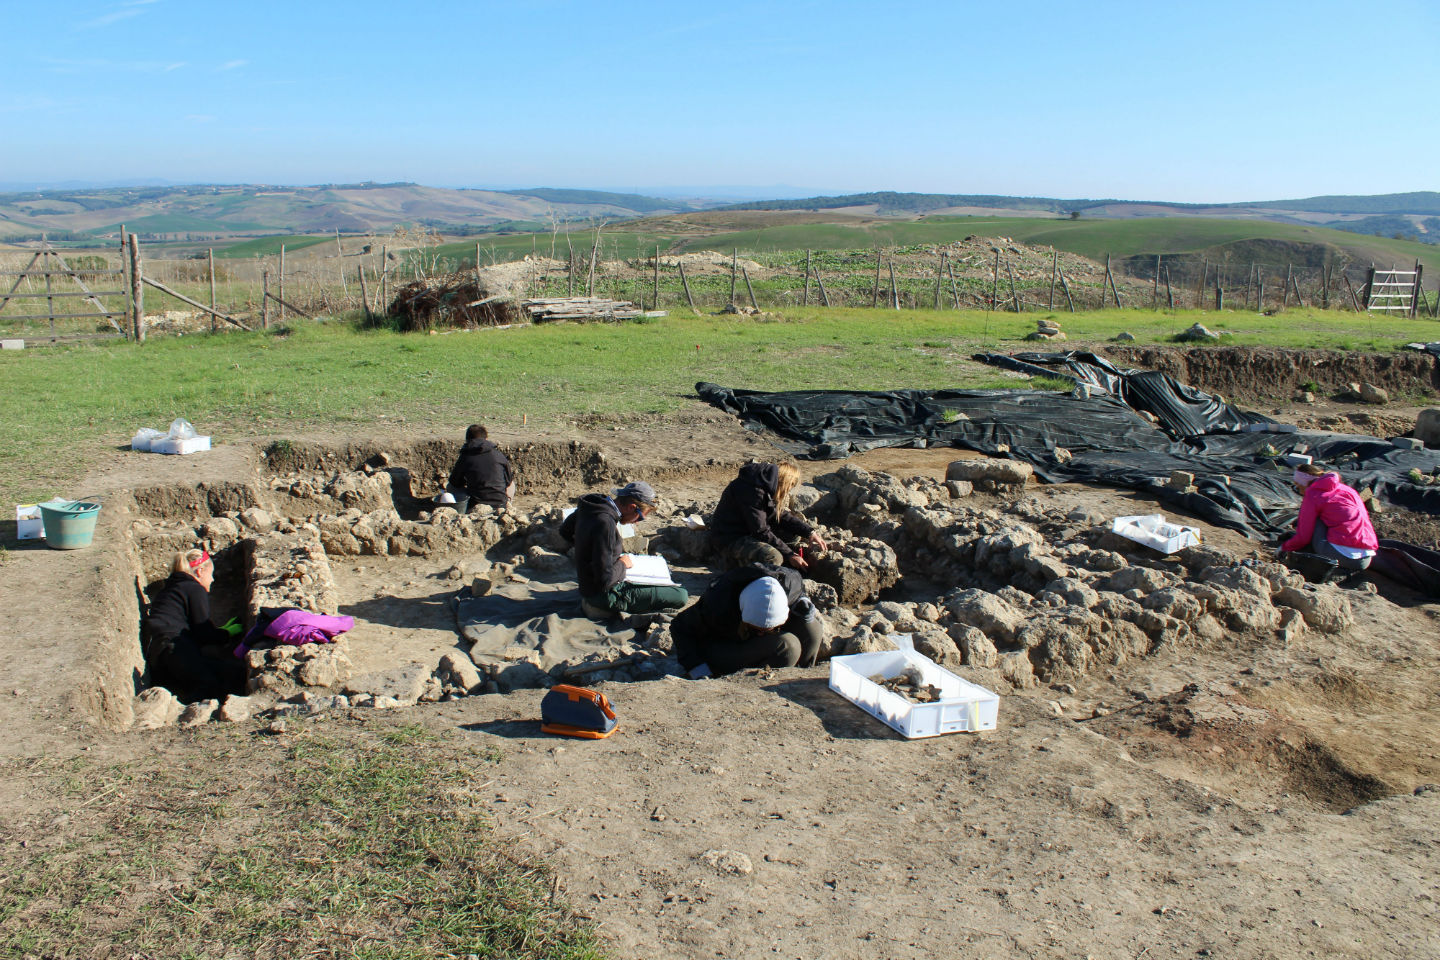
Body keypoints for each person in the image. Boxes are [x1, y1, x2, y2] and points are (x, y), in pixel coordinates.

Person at [559, 480, 689, 619]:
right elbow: (605, 581)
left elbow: (565, 531)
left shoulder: (593, 506)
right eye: (640, 518)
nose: (635, 522)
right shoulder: (605, 523)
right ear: (632, 507)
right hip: (602, 595)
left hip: (587, 584)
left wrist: (588, 551)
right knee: (680, 594)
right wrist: (622, 564)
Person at [670, 563, 825, 678]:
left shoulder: (788, 583)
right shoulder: (719, 601)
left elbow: (798, 592)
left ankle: (800, 678)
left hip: (742, 634)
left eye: (772, 630)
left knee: (812, 629)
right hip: (720, 644)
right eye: (756, 629)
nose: (761, 635)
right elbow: (679, 626)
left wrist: (802, 602)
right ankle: (762, 686)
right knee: (788, 646)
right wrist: (697, 668)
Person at [143, 549, 246, 701]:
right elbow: (203, 633)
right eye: (211, 574)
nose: (212, 580)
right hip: (175, 647)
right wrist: (227, 634)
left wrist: (220, 632)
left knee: (221, 671)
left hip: (159, 655)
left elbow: (196, 629)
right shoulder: (194, 589)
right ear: (200, 571)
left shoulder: (171, 589)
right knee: (213, 683)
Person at [710, 461, 826, 571]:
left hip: (747, 529)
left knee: (793, 536)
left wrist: (810, 532)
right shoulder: (752, 491)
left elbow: (779, 515)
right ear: (785, 482)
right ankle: (740, 571)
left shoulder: (765, 485)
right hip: (729, 537)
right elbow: (760, 530)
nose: (787, 491)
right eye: (790, 486)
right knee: (774, 557)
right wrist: (789, 554)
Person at [1280, 464, 1378, 574]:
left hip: (1344, 556)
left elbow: (1304, 537)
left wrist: (1284, 548)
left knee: (1315, 520)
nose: (1298, 490)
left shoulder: (1314, 494)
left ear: (1304, 483)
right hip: (1367, 557)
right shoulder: (1348, 490)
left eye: (1298, 486)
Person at [444, 424, 514, 513]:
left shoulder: (466, 456)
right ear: (486, 439)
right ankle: (506, 508)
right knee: (512, 485)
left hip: (476, 504)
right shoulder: (498, 455)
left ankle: (461, 510)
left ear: (467, 440)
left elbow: (455, 482)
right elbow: (508, 481)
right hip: (500, 503)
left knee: (450, 487)